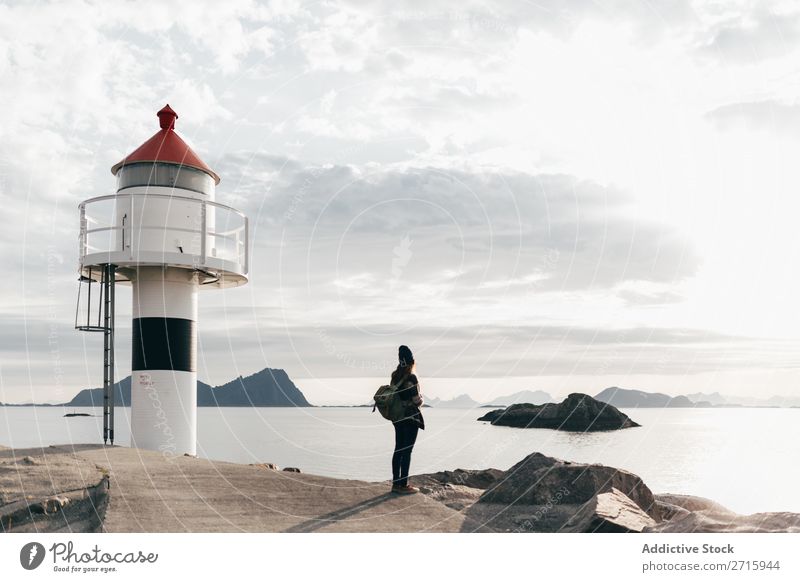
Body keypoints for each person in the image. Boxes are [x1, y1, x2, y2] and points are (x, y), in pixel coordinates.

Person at [390, 344, 425, 494]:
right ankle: (403, 485)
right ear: (411, 361)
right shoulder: (411, 377)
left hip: (398, 418)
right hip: (410, 418)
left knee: (398, 449)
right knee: (407, 451)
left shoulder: (395, 376)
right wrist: (421, 401)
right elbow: (416, 401)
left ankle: (396, 483)